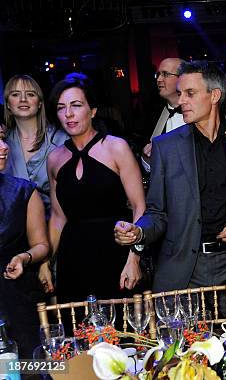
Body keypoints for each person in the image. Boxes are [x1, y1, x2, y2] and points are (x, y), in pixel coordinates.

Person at [113, 61, 226, 323]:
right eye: (180, 94)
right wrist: (139, 231)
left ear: (214, 96)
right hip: (186, 267)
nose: (181, 102)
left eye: (190, 93)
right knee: (188, 356)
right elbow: (157, 212)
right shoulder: (165, 147)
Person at [39, 76, 145, 303]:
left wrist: (134, 258)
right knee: (77, 331)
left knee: (123, 332)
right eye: (61, 108)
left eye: (76, 105)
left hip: (116, 252)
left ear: (93, 110)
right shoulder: (54, 159)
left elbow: (140, 207)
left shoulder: (116, 147)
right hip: (73, 258)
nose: (68, 114)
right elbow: (58, 217)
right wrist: (45, 262)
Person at [0, 123, 49, 358]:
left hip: (16, 297)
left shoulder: (24, 192)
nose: (3, 147)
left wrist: (23, 257)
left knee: (27, 365)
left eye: (2, 139)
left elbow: (42, 245)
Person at [2, 75, 69, 218]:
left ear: (39, 103)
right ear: (8, 103)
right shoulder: (3, 144)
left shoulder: (62, 140)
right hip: (13, 230)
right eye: (15, 94)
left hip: (57, 223)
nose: (23, 99)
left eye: (30, 94)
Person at [141, 57, 186, 175]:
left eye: (165, 74)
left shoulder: (199, 115)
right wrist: (146, 159)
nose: (159, 79)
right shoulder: (154, 115)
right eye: (158, 74)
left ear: (182, 79)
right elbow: (148, 168)